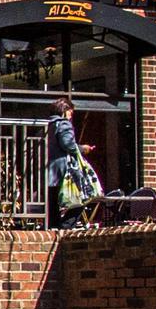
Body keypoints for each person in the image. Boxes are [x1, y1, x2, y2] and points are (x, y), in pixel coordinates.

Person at [45, 96, 102, 228]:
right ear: (64, 110)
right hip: (64, 171)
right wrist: (83, 148)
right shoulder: (64, 124)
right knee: (82, 199)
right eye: (71, 112)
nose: (71, 116)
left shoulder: (47, 125)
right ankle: (65, 226)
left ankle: (54, 230)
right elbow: (68, 145)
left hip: (48, 171)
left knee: (52, 204)